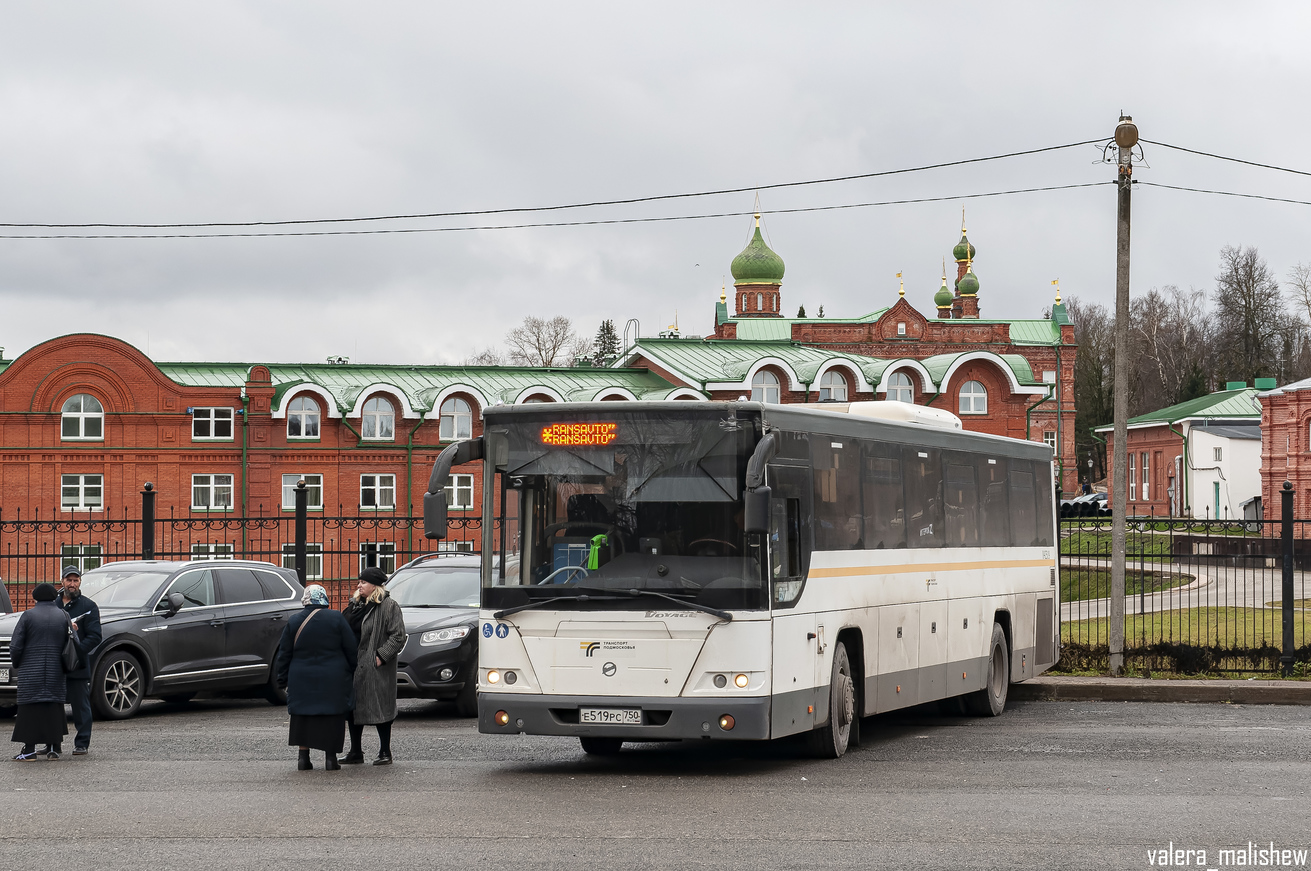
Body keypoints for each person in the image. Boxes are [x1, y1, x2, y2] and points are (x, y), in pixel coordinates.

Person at [274, 584, 357, 771]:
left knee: (303, 717)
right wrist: (352, 669)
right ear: (324, 598)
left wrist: (282, 679)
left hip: (301, 676)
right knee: (332, 717)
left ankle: (303, 759)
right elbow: (351, 648)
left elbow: (284, 654)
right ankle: (330, 759)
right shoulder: (336, 618)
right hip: (333, 676)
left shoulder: (294, 621)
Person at [341, 567, 406, 766]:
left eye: (364, 582)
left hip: (375, 666)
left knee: (381, 707)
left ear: (375, 586)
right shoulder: (354, 606)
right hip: (352, 664)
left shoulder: (388, 606)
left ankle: (385, 751)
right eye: (359, 582)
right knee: (353, 708)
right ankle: (355, 751)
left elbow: (398, 636)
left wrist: (380, 656)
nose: (359, 585)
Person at [10, 583, 71, 760]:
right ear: (54, 597)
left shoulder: (28, 616)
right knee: (52, 707)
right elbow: (72, 642)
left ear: (35, 597)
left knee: (30, 709)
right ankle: (52, 748)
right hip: (56, 670)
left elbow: (15, 645)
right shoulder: (63, 615)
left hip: (31, 670)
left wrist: (17, 662)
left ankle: (29, 750)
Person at [55, 566, 101, 756]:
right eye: (69, 580)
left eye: (76, 580)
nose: (72, 584)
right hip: (54, 665)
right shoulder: (52, 604)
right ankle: (52, 743)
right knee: (53, 706)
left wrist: (75, 651)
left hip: (77, 665)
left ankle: (82, 743)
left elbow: (95, 636)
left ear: (80, 582)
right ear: (62, 581)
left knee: (81, 706)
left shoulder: (89, 606)